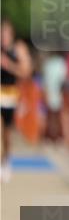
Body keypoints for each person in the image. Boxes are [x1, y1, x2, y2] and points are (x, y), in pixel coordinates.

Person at [1, 18, 33, 181]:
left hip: (11, 95)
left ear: (11, 34)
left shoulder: (18, 49)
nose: (3, 37)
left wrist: (9, 65)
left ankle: (6, 160)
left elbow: (26, 71)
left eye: (5, 34)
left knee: (6, 134)